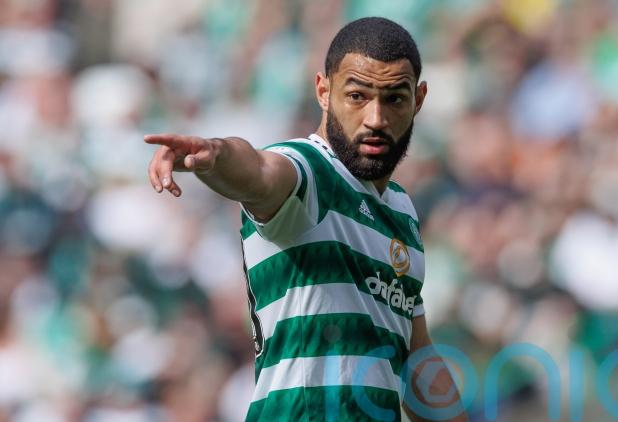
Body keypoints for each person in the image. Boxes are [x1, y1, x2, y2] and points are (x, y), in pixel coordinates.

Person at [145, 17, 468, 422]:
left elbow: (417, 361)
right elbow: (261, 172)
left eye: (395, 99)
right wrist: (216, 155)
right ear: (324, 92)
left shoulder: (401, 211)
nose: (375, 117)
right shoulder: (312, 169)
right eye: (357, 96)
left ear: (418, 100)